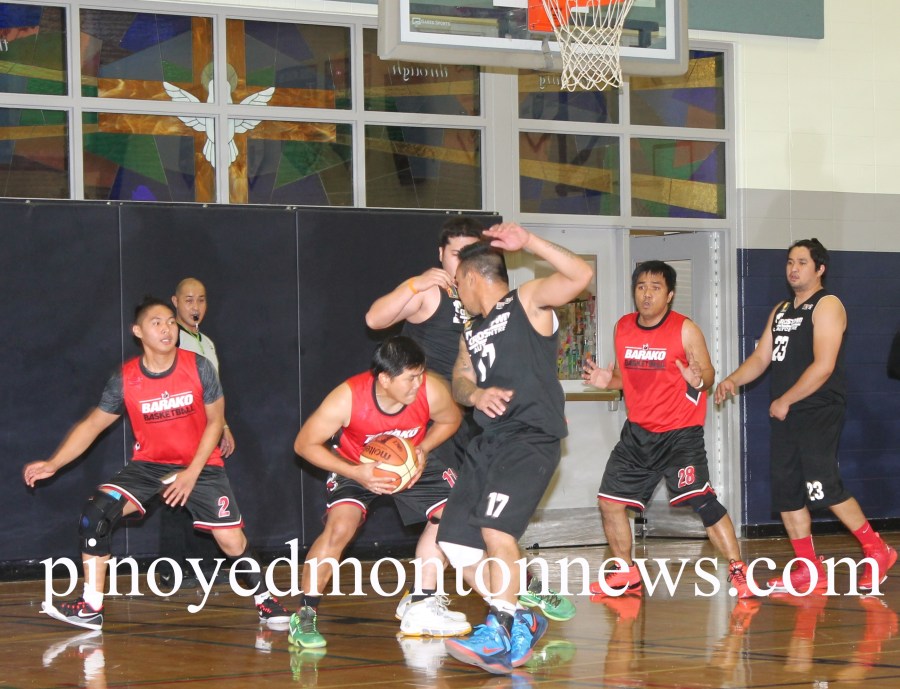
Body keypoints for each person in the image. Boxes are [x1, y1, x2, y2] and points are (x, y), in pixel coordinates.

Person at [22, 296, 289, 630]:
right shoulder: (126, 379)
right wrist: (54, 463)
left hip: (201, 465)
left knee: (231, 542)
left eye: (170, 322)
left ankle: (265, 600)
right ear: (138, 332)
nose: (166, 329)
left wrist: (191, 473)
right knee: (95, 516)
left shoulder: (199, 367)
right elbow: (92, 424)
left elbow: (215, 422)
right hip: (149, 467)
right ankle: (91, 607)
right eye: (156, 323)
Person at [365, 217, 575, 622]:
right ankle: (439, 599)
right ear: (442, 256)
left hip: (476, 426)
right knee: (451, 513)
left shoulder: (499, 306)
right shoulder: (432, 291)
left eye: (471, 253)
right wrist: (415, 283)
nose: (464, 260)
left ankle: (506, 596)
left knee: (479, 516)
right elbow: (374, 320)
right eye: (457, 253)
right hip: (432, 421)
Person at [438, 222, 593, 674]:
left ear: (470, 276)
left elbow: (580, 276)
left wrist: (530, 244)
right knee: (455, 542)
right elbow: (460, 378)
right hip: (487, 444)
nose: (456, 295)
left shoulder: (527, 301)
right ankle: (520, 616)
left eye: (457, 285)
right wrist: (475, 395)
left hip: (529, 439)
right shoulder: (473, 330)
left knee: (497, 534)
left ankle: (500, 627)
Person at [715, 238, 896, 593]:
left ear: (820, 269)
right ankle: (808, 569)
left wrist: (786, 399)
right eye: (789, 262)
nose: (793, 268)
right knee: (787, 490)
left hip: (818, 408)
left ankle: (877, 548)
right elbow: (761, 358)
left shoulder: (828, 306)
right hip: (787, 413)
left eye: (801, 262)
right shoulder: (781, 310)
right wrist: (733, 379)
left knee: (823, 485)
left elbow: (824, 366)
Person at [583, 260, 753, 599]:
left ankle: (738, 570)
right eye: (641, 286)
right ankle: (626, 573)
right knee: (609, 502)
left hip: (679, 434)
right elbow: (627, 379)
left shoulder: (684, 329)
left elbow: (707, 375)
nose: (646, 294)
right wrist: (608, 381)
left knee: (702, 501)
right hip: (638, 434)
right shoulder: (623, 328)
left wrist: (698, 379)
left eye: (655, 287)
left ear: (670, 295)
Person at [289, 335, 466, 650]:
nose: (417, 384)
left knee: (456, 518)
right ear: (384, 379)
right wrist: (357, 473)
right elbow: (304, 444)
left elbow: (451, 419)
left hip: (410, 458)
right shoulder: (348, 398)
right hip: (354, 464)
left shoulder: (429, 390)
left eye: (420, 375)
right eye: (410, 378)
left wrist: (423, 448)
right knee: (340, 527)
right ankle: (305, 613)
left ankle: (422, 601)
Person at [158, 277, 234, 587]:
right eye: (188, 300)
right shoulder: (169, 340)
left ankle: (203, 565)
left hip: (204, 433)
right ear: (174, 302)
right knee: (175, 500)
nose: (195, 306)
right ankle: (170, 571)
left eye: (201, 300)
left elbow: (212, 392)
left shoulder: (206, 342)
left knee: (205, 498)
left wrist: (224, 427)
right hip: (176, 433)